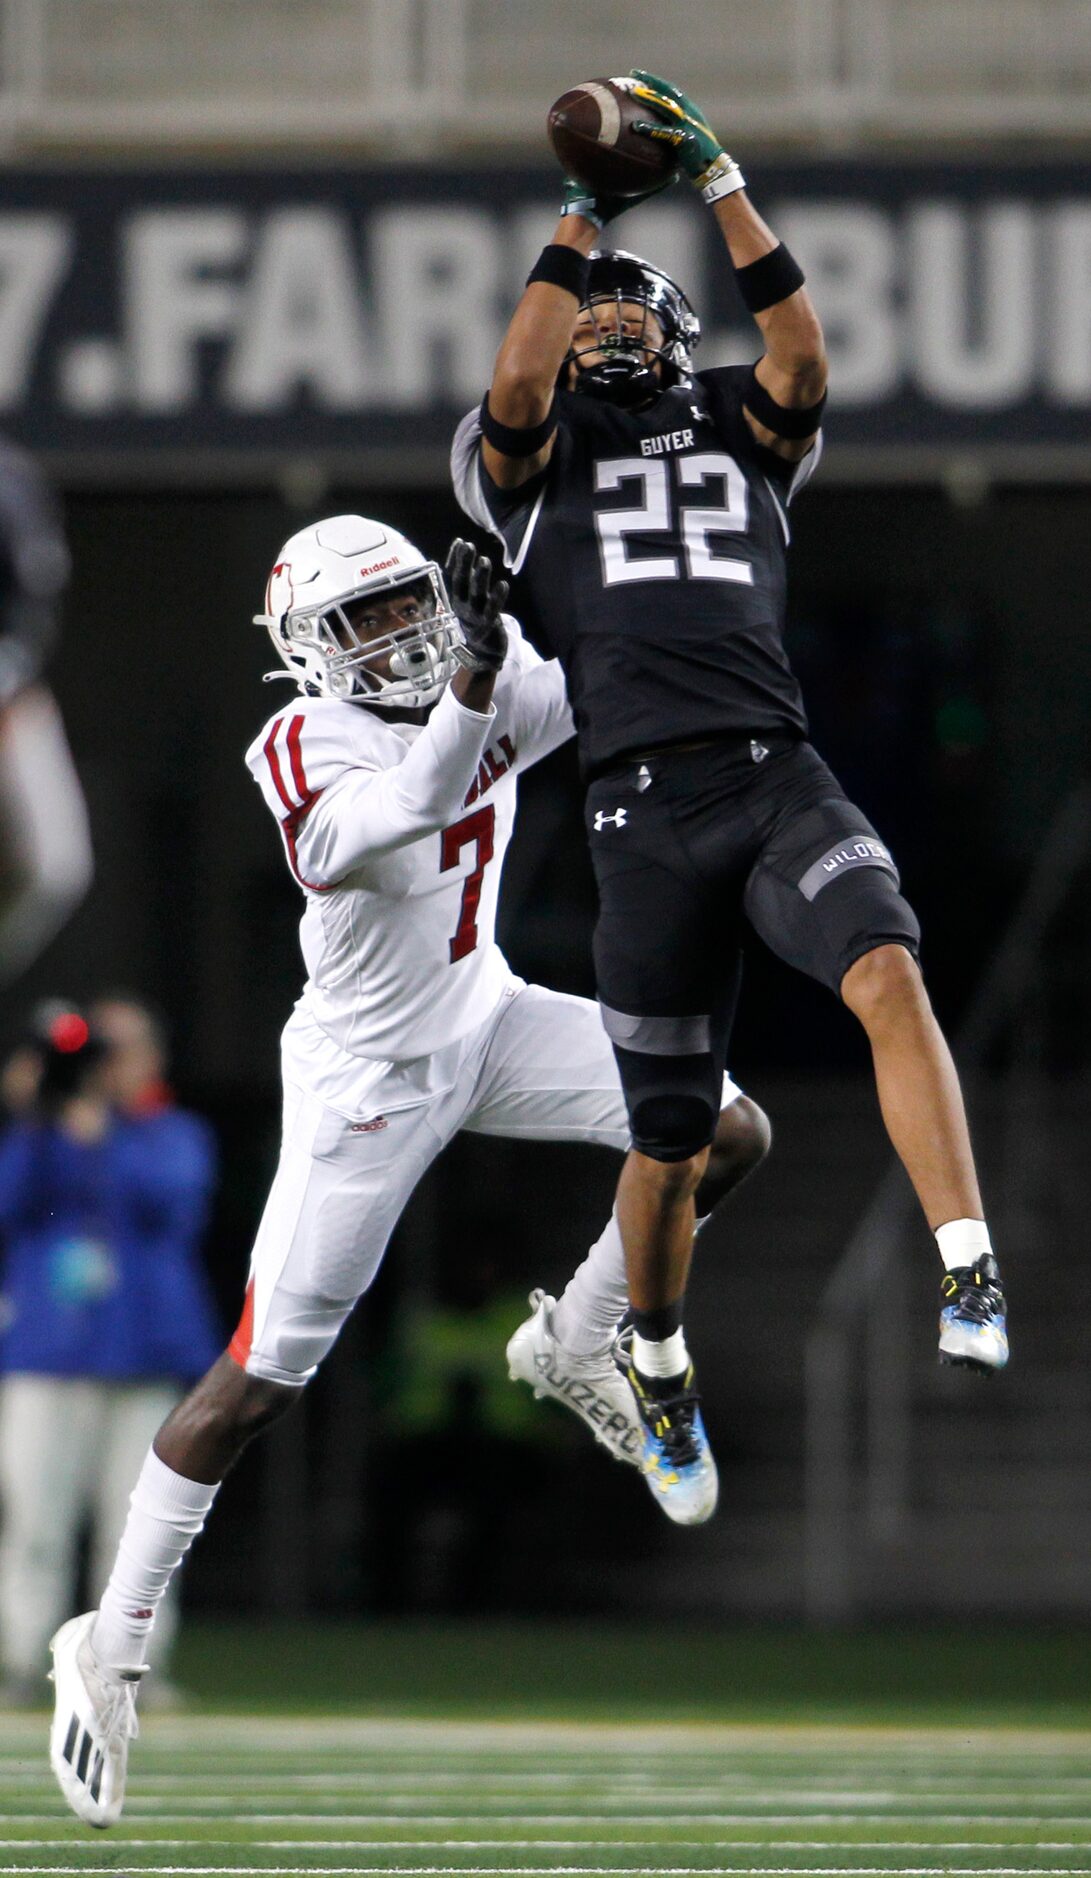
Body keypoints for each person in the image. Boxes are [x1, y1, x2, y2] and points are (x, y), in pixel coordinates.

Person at [47, 515, 769, 1826]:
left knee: (722, 1128)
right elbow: (405, 805)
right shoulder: (301, 741)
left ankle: (580, 1335)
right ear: (306, 651)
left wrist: (684, 552)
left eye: (404, 605)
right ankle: (108, 1640)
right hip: (363, 1084)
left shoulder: (475, 667)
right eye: (360, 620)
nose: (395, 635)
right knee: (256, 1383)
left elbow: (630, 671)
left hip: (483, 1020)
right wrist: (485, 676)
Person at [452, 69, 1007, 1507]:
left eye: (636, 305)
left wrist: (718, 185)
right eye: (595, 309)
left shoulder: (739, 425)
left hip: (774, 773)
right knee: (668, 1132)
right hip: (636, 814)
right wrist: (579, 209)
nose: (612, 321)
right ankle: (648, 1355)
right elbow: (512, 384)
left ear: (677, 327)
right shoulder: (531, 446)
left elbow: (803, 352)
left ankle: (964, 1261)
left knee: (887, 967)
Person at [0, 1001, 218, 1707]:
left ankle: (128, 1670)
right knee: (34, 1518)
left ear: (148, 1059)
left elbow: (176, 1205)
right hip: (48, 1355)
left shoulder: (171, 1134)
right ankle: (23, 1662)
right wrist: (35, 1115)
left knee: (140, 1529)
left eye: (118, 1051)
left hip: (144, 1358)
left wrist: (103, 1137)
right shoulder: (45, 1133)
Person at [0, 439, 91, 979]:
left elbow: (31, 606)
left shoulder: (10, 479)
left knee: (56, 864)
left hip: (8, 688)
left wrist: (9, 685)